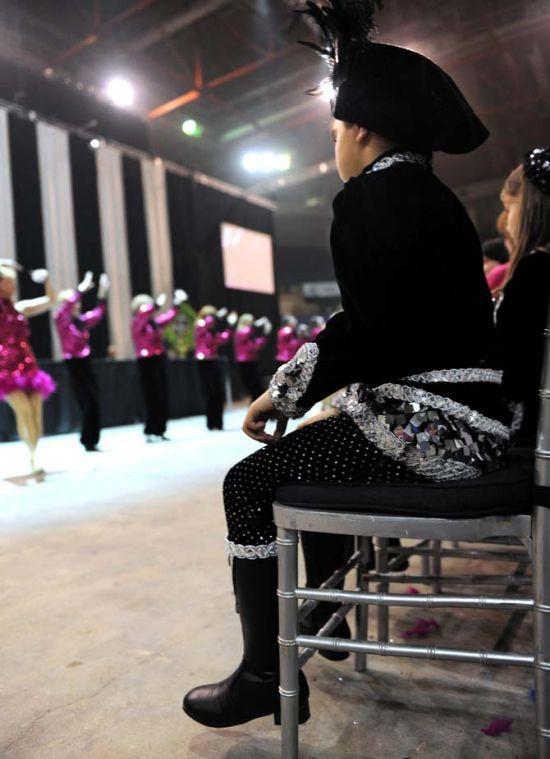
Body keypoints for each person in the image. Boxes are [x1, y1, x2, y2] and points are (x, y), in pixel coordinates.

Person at [183, 0, 511, 728]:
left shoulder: (369, 199)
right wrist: (298, 389)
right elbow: (372, 327)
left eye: (337, 128)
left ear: (362, 129)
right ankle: (329, 609)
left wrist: (285, 393)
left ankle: (265, 674)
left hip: (435, 428)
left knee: (250, 480)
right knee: (315, 451)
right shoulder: (434, 200)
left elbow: (364, 331)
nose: (335, 142)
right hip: (473, 420)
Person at [496, 147, 550, 447]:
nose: (507, 218)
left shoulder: (535, 270)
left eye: (510, 206)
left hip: (531, 429)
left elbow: (514, 362)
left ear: (531, 206)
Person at [0, 261, 56, 472]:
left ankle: (35, 455)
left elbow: (51, 300)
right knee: (23, 410)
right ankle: (32, 456)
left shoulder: (21, 307)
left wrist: (47, 280)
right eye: (9, 282)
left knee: (35, 412)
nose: (13, 286)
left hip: (27, 365)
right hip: (5, 369)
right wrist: (2, 263)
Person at [54, 271, 109, 452]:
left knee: (94, 400)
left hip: (86, 362)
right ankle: (87, 439)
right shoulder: (61, 319)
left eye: (77, 302)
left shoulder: (81, 321)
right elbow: (63, 310)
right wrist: (80, 290)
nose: (77, 304)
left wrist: (102, 295)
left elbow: (98, 314)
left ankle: (91, 438)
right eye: (73, 302)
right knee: (86, 400)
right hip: (73, 364)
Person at [131, 289, 187, 442]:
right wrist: (155, 304)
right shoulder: (137, 322)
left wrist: (177, 303)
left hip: (159, 359)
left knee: (162, 395)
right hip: (146, 362)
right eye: (146, 306)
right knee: (151, 397)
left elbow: (168, 317)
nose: (149, 309)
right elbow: (144, 314)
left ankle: (160, 430)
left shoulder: (153, 323)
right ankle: (150, 430)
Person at [194, 306, 237, 430]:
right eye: (211, 316)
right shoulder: (200, 324)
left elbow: (223, 339)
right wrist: (216, 316)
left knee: (218, 393)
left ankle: (218, 423)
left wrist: (229, 325)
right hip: (204, 362)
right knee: (210, 393)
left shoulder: (211, 331)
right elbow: (205, 324)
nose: (213, 320)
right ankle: (211, 423)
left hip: (214, 361)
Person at [234, 314, 272, 401]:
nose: (252, 324)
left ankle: (257, 413)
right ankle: (254, 413)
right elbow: (247, 332)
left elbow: (258, 345)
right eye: (251, 322)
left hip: (252, 363)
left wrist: (265, 333)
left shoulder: (249, 335)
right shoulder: (241, 332)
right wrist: (256, 324)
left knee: (258, 391)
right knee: (256, 391)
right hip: (244, 364)